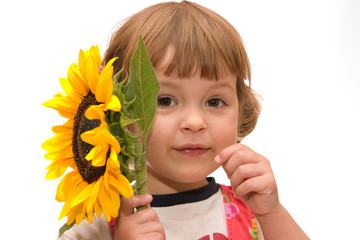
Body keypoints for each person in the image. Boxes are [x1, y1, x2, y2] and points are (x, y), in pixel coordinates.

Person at [60, 1, 309, 239]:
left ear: (241, 111)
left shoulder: (254, 212)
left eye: (214, 102)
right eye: (165, 100)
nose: (194, 122)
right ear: (118, 114)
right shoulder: (99, 226)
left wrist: (272, 213)